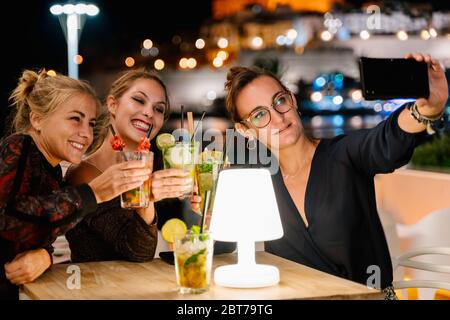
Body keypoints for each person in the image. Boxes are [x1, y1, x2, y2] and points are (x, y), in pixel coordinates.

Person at [217, 53, 447, 299]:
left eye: (279, 101)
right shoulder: (258, 185)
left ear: (292, 100)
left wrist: (429, 107)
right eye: (260, 115)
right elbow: (226, 252)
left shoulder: (344, 155)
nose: (278, 118)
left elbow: (387, 140)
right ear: (245, 130)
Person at [0, 69, 152, 300]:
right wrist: (93, 192)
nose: (86, 134)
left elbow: (36, 231)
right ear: (37, 119)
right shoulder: (18, 147)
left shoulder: (50, 170)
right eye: (75, 119)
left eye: (91, 124)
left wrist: (44, 255)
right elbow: (9, 221)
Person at [65, 69, 192, 263]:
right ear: (113, 105)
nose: (149, 112)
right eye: (139, 100)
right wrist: (147, 199)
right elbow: (137, 252)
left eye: (159, 109)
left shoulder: (145, 170)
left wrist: (195, 202)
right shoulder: (84, 175)